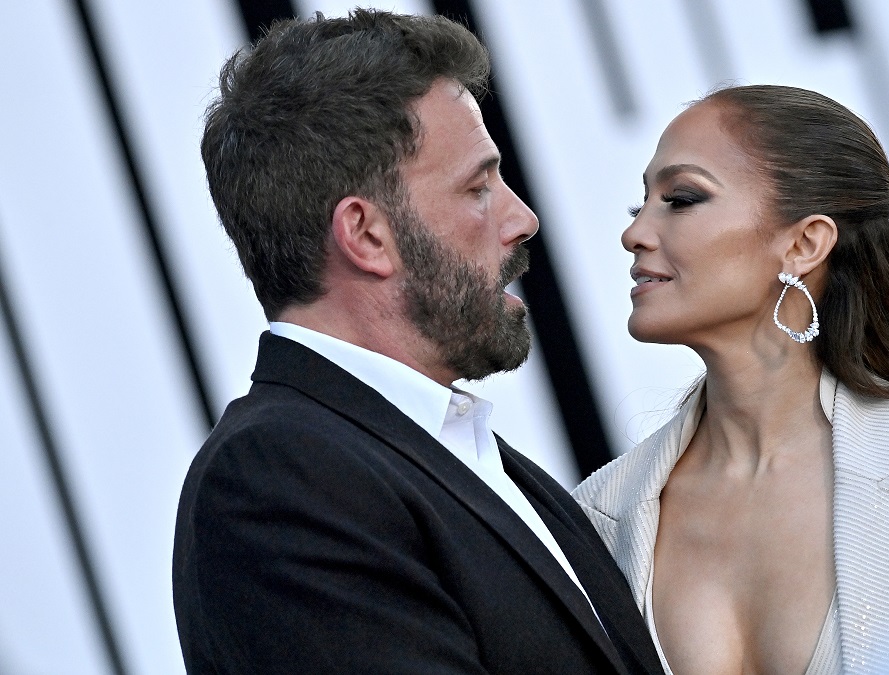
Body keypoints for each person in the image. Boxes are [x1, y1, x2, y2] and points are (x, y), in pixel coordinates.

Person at [172, 11, 663, 675]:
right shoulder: (277, 477)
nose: (522, 219)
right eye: (478, 186)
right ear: (366, 234)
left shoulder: (462, 452)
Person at [572, 85, 889, 675]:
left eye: (682, 199)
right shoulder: (601, 514)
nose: (635, 232)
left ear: (804, 243)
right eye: (639, 205)